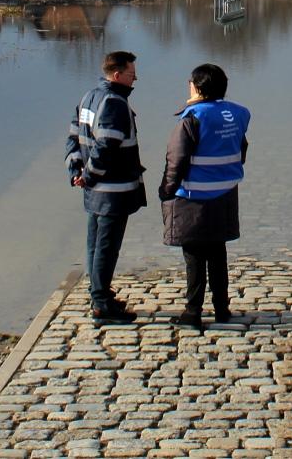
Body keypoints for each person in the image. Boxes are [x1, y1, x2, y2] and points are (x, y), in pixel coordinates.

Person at [158, 63, 251, 329]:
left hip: (193, 196)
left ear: (197, 88)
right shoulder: (237, 114)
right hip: (225, 194)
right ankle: (222, 308)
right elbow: (242, 149)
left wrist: (166, 190)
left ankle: (193, 310)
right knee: (218, 253)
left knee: (195, 256)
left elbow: (176, 159)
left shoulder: (191, 118)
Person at [65, 50, 146, 324]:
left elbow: (74, 134)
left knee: (94, 243)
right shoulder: (115, 103)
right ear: (117, 75)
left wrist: (75, 169)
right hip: (112, 188)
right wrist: (88, 174)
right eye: (132, 75)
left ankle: (98, 293)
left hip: (93, 188)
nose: (135, 80)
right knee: (107, 247)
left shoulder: (88, 97)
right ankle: (101, 304)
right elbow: (106, 146)